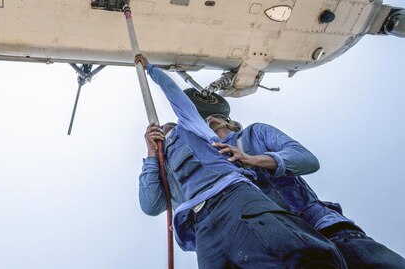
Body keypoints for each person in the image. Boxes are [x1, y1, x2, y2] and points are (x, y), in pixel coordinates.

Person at [135, 54, 345, 268]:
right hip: (200, 224)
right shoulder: (166, 169)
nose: (209, 120)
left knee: (286, 258)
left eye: (170, 128)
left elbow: (176, 96)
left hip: (242, 201)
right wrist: (152, 156)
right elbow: (151, 205)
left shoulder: (213, 131)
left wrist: (151, 69)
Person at [209, 115, 405, 268]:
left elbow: (306, 159)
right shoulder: (204, 162)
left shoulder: (254, 133)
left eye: (213, 116)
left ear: (229, 121)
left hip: (322, 227)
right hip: (274, 246)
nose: (208, 119)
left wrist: (252, 159)